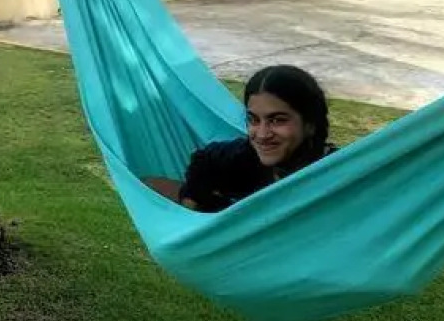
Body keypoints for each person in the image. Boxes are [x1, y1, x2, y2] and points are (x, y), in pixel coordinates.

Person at [144, 65, 337, 213]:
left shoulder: (337, 174)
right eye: (253, 120)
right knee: (149, 184)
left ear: (310, 124)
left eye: (278, 120)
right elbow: (204, 159)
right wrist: (193, 201)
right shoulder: (245, 157)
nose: (262, 134)